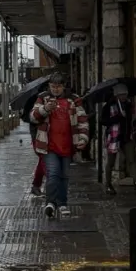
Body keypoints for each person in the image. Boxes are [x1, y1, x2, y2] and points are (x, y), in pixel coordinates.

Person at [30, 72, 89, 219]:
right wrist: (45, 109)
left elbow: (82, 120)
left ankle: (62, 204)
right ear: (49, 86)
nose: (55, 89)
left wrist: (83, 138)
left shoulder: (73, 100)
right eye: (53, 86)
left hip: (68, 145)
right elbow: (33, 117)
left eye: (58, 86)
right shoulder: (43, 98)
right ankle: (50, 203)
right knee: (53, 174)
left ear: (63, 86)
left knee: (64, 176)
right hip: (49, 145)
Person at [101, 83, 136, 194]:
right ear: (116, 95)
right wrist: (117, 118)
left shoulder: (129, 105)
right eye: (121, 95)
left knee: (132, 160)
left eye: (125, 94)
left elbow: (131, 120)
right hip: (113, 137)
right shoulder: (108, 106)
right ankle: (108, 184)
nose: (123, 97)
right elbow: (103, 121)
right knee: (110, 163)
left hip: (127, 136)